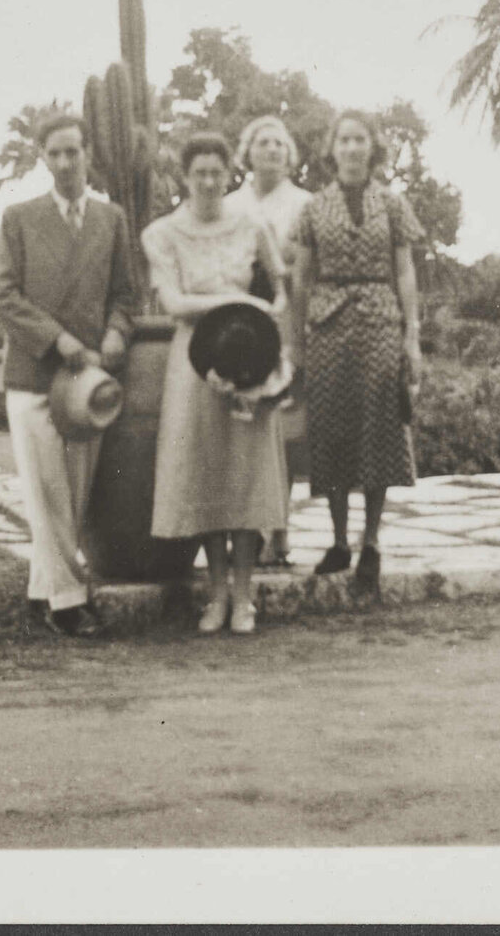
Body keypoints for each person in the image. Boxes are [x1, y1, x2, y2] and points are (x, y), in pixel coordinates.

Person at [0, 111, 138, 638]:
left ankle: (40, 591)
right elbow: (3, 295)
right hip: (34, 376)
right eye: (53, 153)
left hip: (88, 383)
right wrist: (59, 340)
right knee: (47, 490)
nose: (64, 162)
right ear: (43, 158)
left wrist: (118, 332)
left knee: (72, 495)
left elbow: (126, 292)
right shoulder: (19, 218)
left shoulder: (111, 219)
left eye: (72, 151)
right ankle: (68, 602)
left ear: (88, 153)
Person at [144, 131, 292, 635]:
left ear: (229, 173)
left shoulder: (251, 223)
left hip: (249, 356)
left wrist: (267, 325)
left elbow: (280, 287)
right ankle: (217, 593)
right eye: (198, 173)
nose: (208, 182)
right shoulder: (162, 233)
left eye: (216, 172)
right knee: (207, 473)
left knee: (246, 476)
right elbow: (174, 303)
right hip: (195, 363)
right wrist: (240, 304)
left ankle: (246, 595)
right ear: (184, 178)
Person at [290, 110, 424, 591]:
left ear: (372, 147)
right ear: (333, 148)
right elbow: (300, 278)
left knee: (379, 427)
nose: (351, 148)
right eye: (343, 140)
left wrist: (411, 335)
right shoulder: (312, 207)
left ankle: (370, 543)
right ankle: (338, 541)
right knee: (331, 431)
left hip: (380, 321)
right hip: (327, 325)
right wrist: (295, 342)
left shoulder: (391, 204)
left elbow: (405, 272)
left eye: (359, 139)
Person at [225, 115, 313, 568]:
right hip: (242, 320)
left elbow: (306, 266)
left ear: (289, 153)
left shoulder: (305, 203)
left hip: (288, 318)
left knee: (285, 426)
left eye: (280, 143)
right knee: (249, 421)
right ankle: (253, 526)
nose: (273, 150)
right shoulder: (232, 203)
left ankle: (279, 527)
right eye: (263, 142)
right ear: (248, 151)